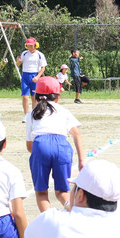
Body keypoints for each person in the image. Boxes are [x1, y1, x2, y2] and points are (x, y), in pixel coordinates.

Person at [26, 76, 85, 212]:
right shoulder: (64, 111)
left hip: (41, 146)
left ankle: (49, 221)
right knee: (62, 191)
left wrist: (38, 153)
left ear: (36, 95)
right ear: (57, 97)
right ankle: (73, 214)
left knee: (41, 193)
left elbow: (29, 146)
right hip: (62, 146)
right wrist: (81, 161)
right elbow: (76, 133)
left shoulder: (32, 114)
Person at [17, 37, 47, 119]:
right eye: (28, 46)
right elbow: (18, 64)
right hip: (25, 76)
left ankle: (34, 114)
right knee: (25, 97)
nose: (29, 47)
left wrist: (37, 77)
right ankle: (26, 115)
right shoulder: (24, 53)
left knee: (34, 97)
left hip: (35, 76)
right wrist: (18, 61)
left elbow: (43, 67)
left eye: (31, 45)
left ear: (35, 45)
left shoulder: (40, 55)